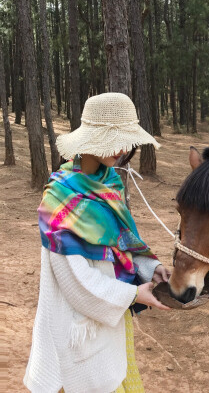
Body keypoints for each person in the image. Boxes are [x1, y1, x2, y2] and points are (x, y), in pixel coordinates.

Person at [24, 92, 170, 393]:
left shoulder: (110, 183)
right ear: (91, 139)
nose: (121, 148)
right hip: (76, 331)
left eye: (125, 139)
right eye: (111, 138)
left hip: (111, 321)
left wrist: (149, 267)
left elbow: (123, 243)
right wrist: (132, 295)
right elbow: (74, 281)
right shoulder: (59, 199)